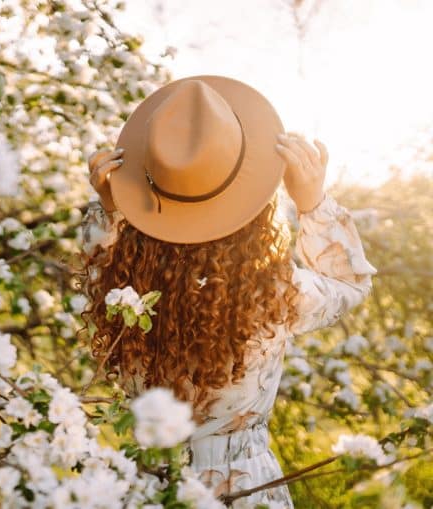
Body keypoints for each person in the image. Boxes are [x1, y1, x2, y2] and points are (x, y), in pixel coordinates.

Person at [80, 76, 376, 507]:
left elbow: (97, 261)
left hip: (148, 485)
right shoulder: (271, 292)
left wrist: (108, 209)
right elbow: (348, 283)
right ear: (253, 205)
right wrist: (313, 203)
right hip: (244, 486)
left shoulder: (121, 286)